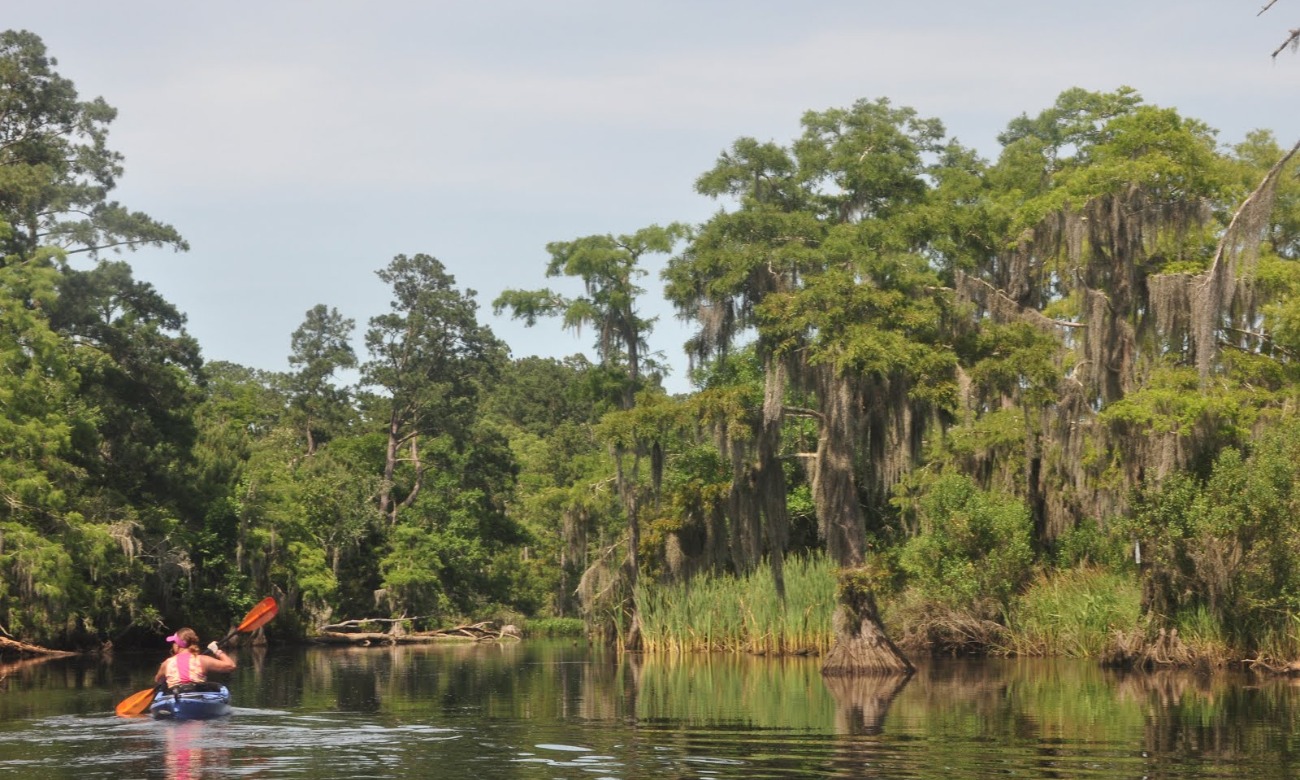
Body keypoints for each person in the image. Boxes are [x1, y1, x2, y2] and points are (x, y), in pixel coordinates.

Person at [154, 627, 236, 691]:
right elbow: (231, 666)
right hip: (197, 693)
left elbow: (158, 680)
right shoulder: (202, 660)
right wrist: (217, 651)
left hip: (175, 694)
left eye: (173, 643)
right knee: (218, 687)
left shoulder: (167, 663)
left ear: (177, 645)